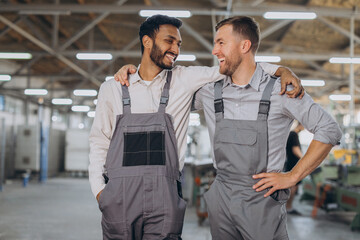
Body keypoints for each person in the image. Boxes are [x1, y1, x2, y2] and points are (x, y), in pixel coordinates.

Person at [90, 15, 303, 239]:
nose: (176, 49)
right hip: (120, 199)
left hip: (165, 199)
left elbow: (236, 65)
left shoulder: (184, 80)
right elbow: (99, 141)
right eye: (169, 41)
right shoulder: (112, 88)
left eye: (179, 44)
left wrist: (279, 70)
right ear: (147, 42)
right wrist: (100, 193)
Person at [190, 16, 342, 240]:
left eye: (221, 43)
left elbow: (329, 129)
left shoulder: (281, 91)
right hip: (221, 195)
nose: (214, 50)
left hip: (261, 199)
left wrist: (292, 177)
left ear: (244, 45)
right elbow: (170, 90)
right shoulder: (210, 92)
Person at [284, 122, 304, 215]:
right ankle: (288, 207)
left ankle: (288, 206)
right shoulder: (294, 134)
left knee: (293, 186)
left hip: (291, 163)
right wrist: (305, 159)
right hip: (294, 164)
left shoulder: (292, 134)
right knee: (293, 186)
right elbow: (295, 149)